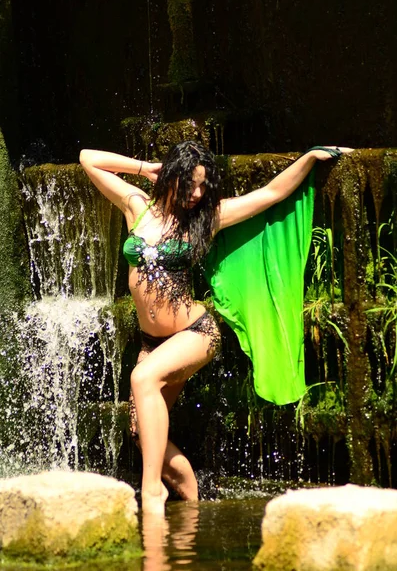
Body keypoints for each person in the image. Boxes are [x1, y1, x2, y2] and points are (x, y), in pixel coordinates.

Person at [80, 141, 351, 516]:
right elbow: (89, 160)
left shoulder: (206, 219)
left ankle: (152, 493)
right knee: (143, 434)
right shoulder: (137, 206)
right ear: (172, 176)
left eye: (203, 186)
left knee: (142, 379)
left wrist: (308, 159)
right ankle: (193, 508)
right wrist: (147, 167)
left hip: (194, 333)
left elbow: (270, 194)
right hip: (150, 341)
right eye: (189, 184)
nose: (196, 194)